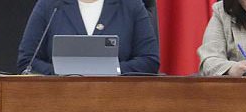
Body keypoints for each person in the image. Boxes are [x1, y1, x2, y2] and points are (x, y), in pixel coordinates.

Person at [17, 0, 160, 75]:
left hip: (118, 100)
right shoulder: (50, 5)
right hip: (58, 100)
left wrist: (112, 71)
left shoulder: (131, 5)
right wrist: (61, 73)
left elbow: (149, 60)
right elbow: (27, 61)